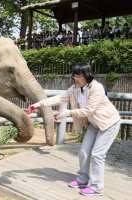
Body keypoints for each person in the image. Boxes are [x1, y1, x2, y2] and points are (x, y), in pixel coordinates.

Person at [27, 62, 120, 197]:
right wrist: (38, 104)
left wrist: (68, 113)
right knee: (83, 152)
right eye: (74, 76)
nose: (76, 79)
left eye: (79, 76)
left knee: (98, 154)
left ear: (87, 75)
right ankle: (82, 179)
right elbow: (60, 98)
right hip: (94, 125)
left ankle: (96, 187)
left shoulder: (96, 88)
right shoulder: (75, 88)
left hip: (108, 124)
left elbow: (90, 110)